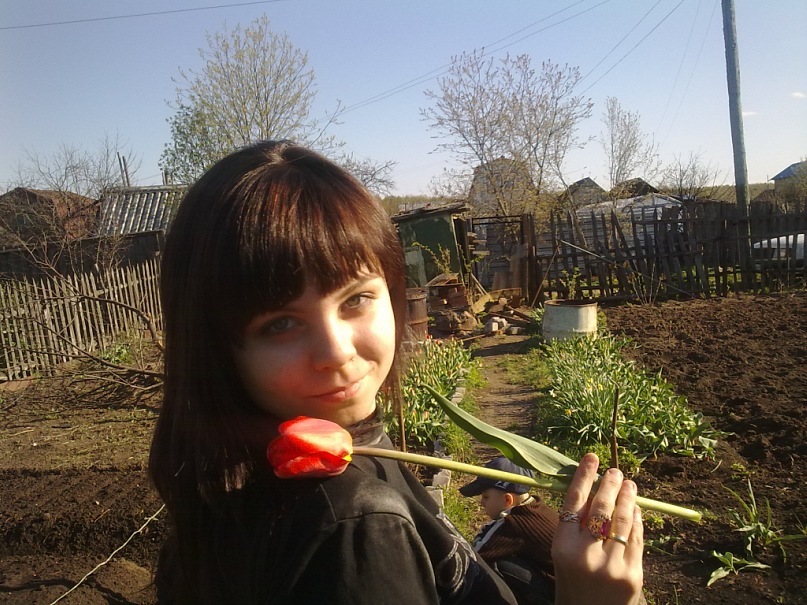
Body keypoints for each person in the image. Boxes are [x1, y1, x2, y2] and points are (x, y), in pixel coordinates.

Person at [148, 140, 645, 604]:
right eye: (280, 324)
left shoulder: (275, 472)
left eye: (356, 299)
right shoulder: (354, 525)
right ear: (214, 346)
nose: (337, 352)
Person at [460, 457, 559, 605]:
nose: (482, 502)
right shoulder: (536, 508)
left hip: (559, 595)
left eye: (486, 497)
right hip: (564, 583)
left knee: (494, 565)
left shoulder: (513, 524)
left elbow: (475, 555)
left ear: (508, 500)